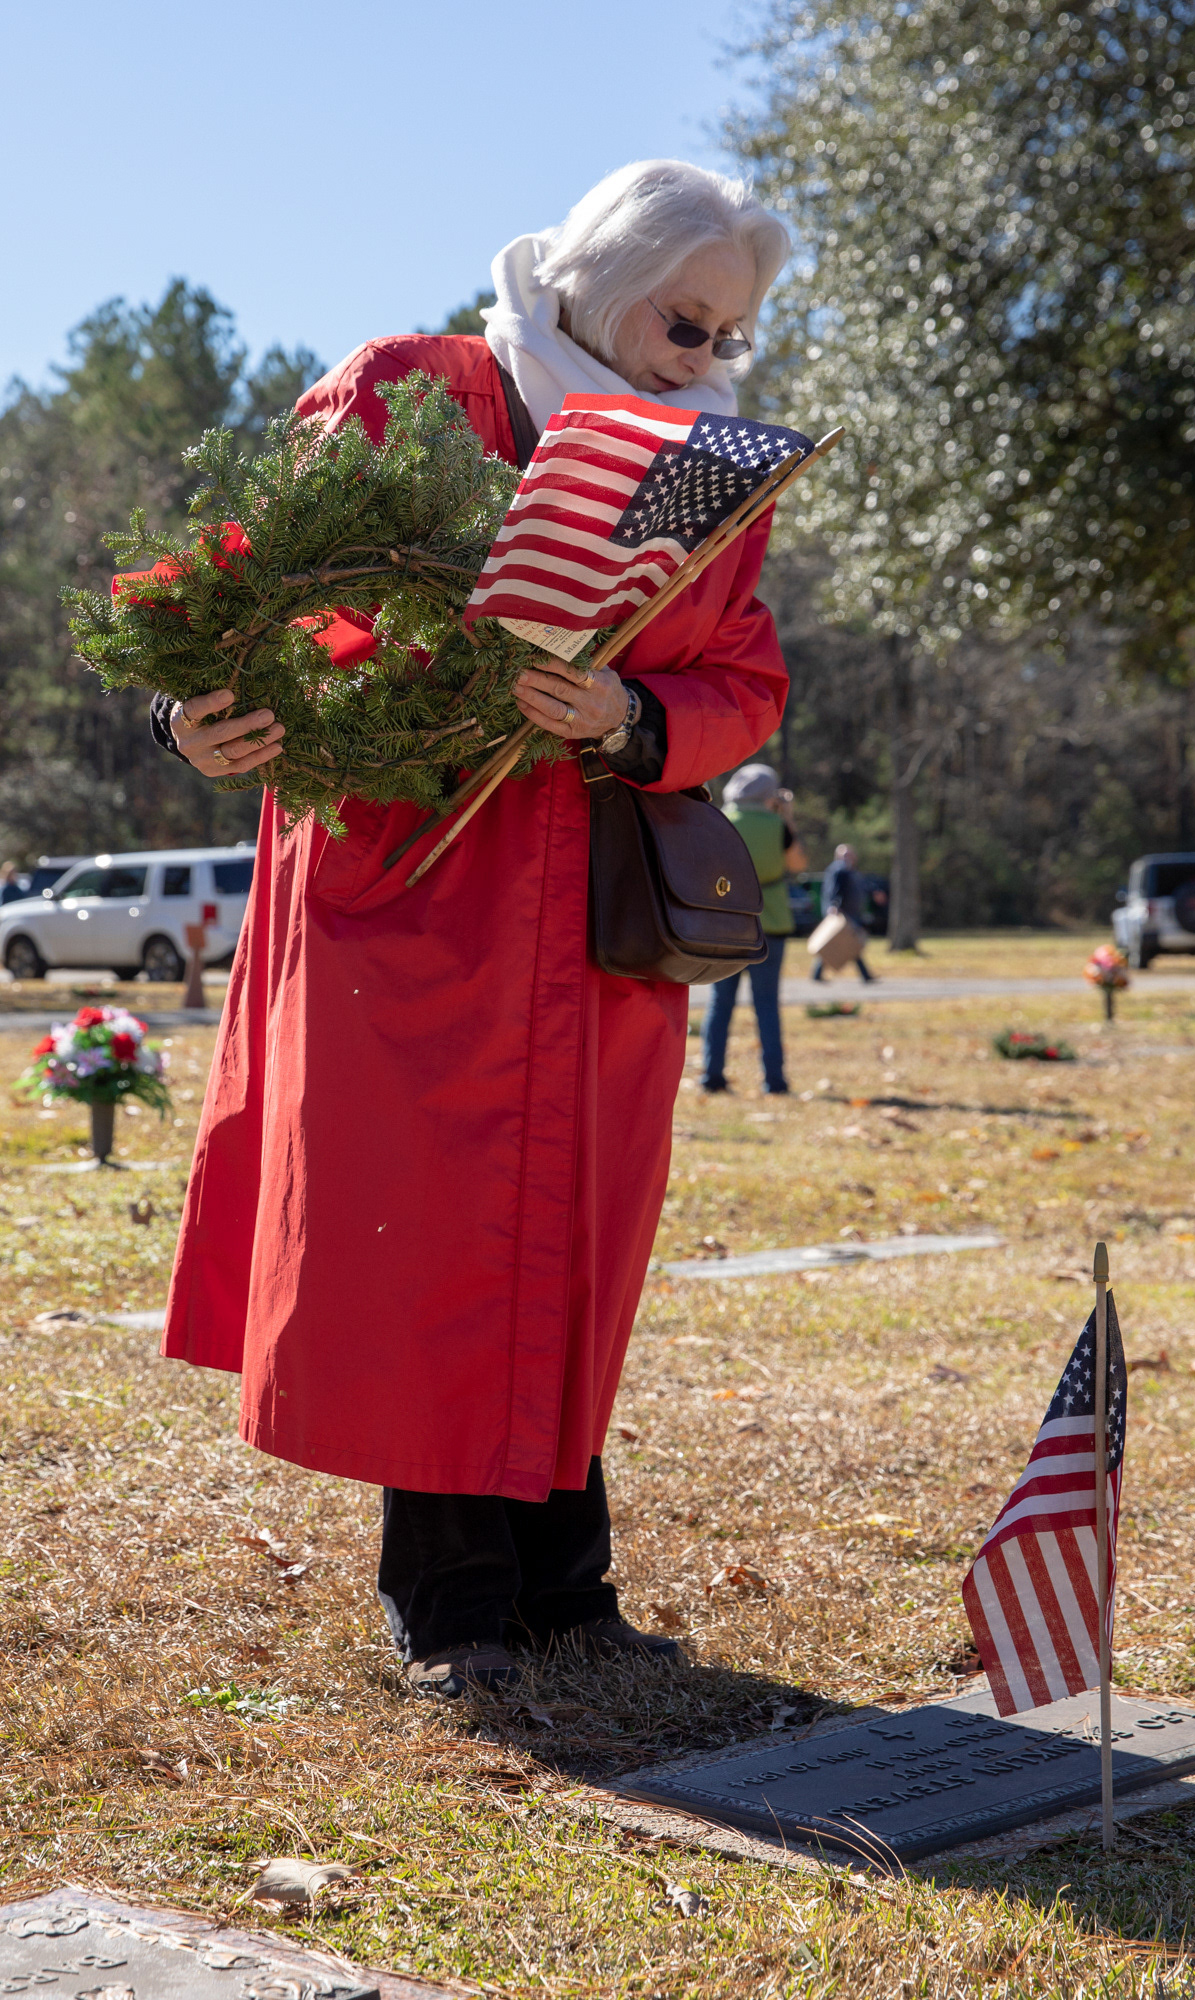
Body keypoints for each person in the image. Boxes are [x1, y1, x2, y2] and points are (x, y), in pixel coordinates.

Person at [150, 161, 792, 1698]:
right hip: (414, 898)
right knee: (430, 1243)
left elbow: (751, 683)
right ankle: (449, 1608)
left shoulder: (711, 469)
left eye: (728, 338)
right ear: (595, 274)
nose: (702, 358)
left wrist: (637, 713)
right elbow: (250, 587)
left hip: (592, 926)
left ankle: (569, 1594)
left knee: (570, 1240)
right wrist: (190, 706)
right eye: (684, 321)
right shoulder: (413, 392)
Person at [700, 765, 806, 1095]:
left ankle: (712, 1076)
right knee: (767, 1005)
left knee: (720, 1003)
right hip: (770, 922)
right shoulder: (777, 825)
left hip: (726, 922)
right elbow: (798, 865)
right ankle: (774, 1081)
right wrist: (786, 817)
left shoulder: (719, 820)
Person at [811, 842, 877, 983]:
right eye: (845, 855)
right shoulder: (839, 869)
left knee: (842, 942)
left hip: (848, 912)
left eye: (849, 854)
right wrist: (834, 905)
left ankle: (817, 974)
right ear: (838, 856)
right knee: (848, 941)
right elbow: (834, 889)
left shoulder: (849, 870)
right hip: (842, 913)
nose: (848, 857)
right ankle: (865, 975)